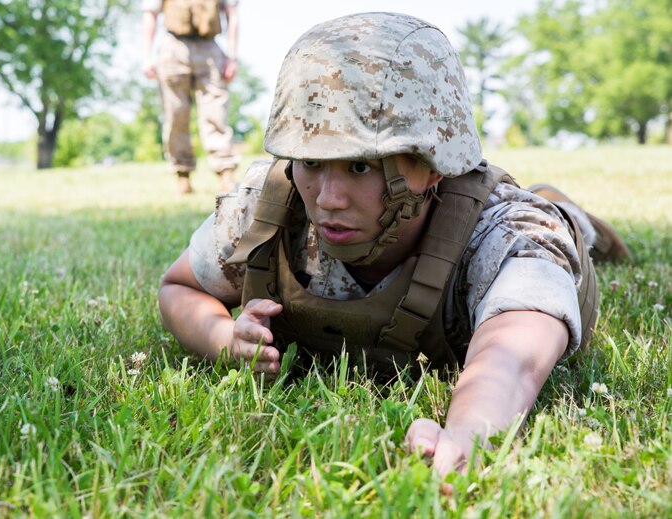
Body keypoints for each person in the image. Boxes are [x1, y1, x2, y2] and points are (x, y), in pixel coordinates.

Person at [158, 12, 630, 485]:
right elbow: (178, 288)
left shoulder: (508, 232)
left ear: (434, 163)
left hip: (545, 228)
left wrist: (469, 434)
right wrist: (222, 339)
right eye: (310, 162)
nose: (327, 199)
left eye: (362, 166)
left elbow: (513, 357)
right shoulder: (266, 206)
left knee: (564, 223)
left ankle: (570, 211)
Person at [142, 0, 240, 194]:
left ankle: (225, 172)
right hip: (174, 46)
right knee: (176, 114)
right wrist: (147, 56)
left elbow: (232, 14)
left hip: (209, 48)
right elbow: (150, 13)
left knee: (216, 113)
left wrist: (232, 57)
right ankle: (182, 174)